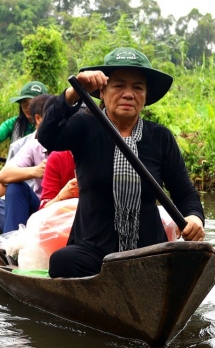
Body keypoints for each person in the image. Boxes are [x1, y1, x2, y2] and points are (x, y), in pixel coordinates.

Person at [37, 47, 204, 279]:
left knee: (193, 264)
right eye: (119, 85)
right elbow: (48, 136)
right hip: (93, 252)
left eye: (138, 87)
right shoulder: (85, 125)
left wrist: (194, 218)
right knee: (63, 261)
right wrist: (73, 93)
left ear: (145, 96)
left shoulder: (160, 137)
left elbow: (184, 192)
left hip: (149, 251)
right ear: (102, 92)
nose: (128, 94)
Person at [0, 94, 52, 232]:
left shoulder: (70, 145)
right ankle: (15, 244)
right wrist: (36, 171)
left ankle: (22, 236)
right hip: (36, 204)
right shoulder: (33, 145)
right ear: (38, 118)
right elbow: (4, 176)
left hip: (59, 208)